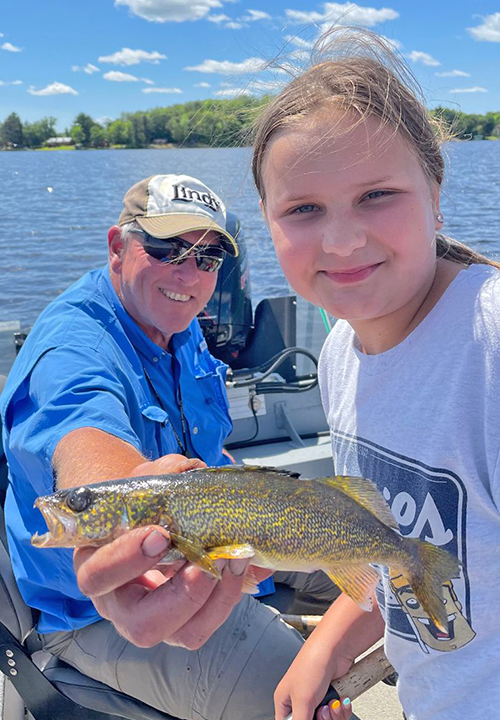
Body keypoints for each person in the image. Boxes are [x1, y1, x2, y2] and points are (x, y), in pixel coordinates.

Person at [0, 173, 335, 720]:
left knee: (383, 585)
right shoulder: (71, 347)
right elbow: (85, 440)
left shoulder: (178, 321)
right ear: (118, 245)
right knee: (308, 704)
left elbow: (210, 452)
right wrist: (115, 524)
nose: (189, 274)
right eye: (166, 248)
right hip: (95, 616)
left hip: (213, 543)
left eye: (206, 259)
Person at [251, 26, 500, 720]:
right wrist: (326, 647)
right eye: (303, 209)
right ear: (269, 223)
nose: (342, 239)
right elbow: (386, 538)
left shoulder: (488, 346)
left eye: (377, 195)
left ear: (435, 189)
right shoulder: (341, 352)